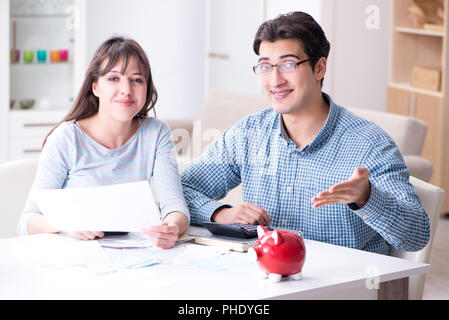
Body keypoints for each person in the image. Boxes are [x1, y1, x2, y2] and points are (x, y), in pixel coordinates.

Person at [181, 12, 430, 254]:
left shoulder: (370, 144)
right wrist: (221, 213)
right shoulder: (248, 133)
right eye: (266, 66)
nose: (275, 81)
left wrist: (366, 198)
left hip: (344, 287)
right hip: (268, 281)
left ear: (319, 68)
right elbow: (181, 190)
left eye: (288, 65)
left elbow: (416, 236)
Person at [17, 36, 189, 249]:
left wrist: (171, 227)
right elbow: (27, 221)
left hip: (132, 257)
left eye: (137, 79)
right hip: (74, 260)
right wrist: (64, 223)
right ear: (95, 86)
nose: (126, 89)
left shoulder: (156, 133)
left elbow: (174, 204)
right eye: (114, 78)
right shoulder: (66, 138)